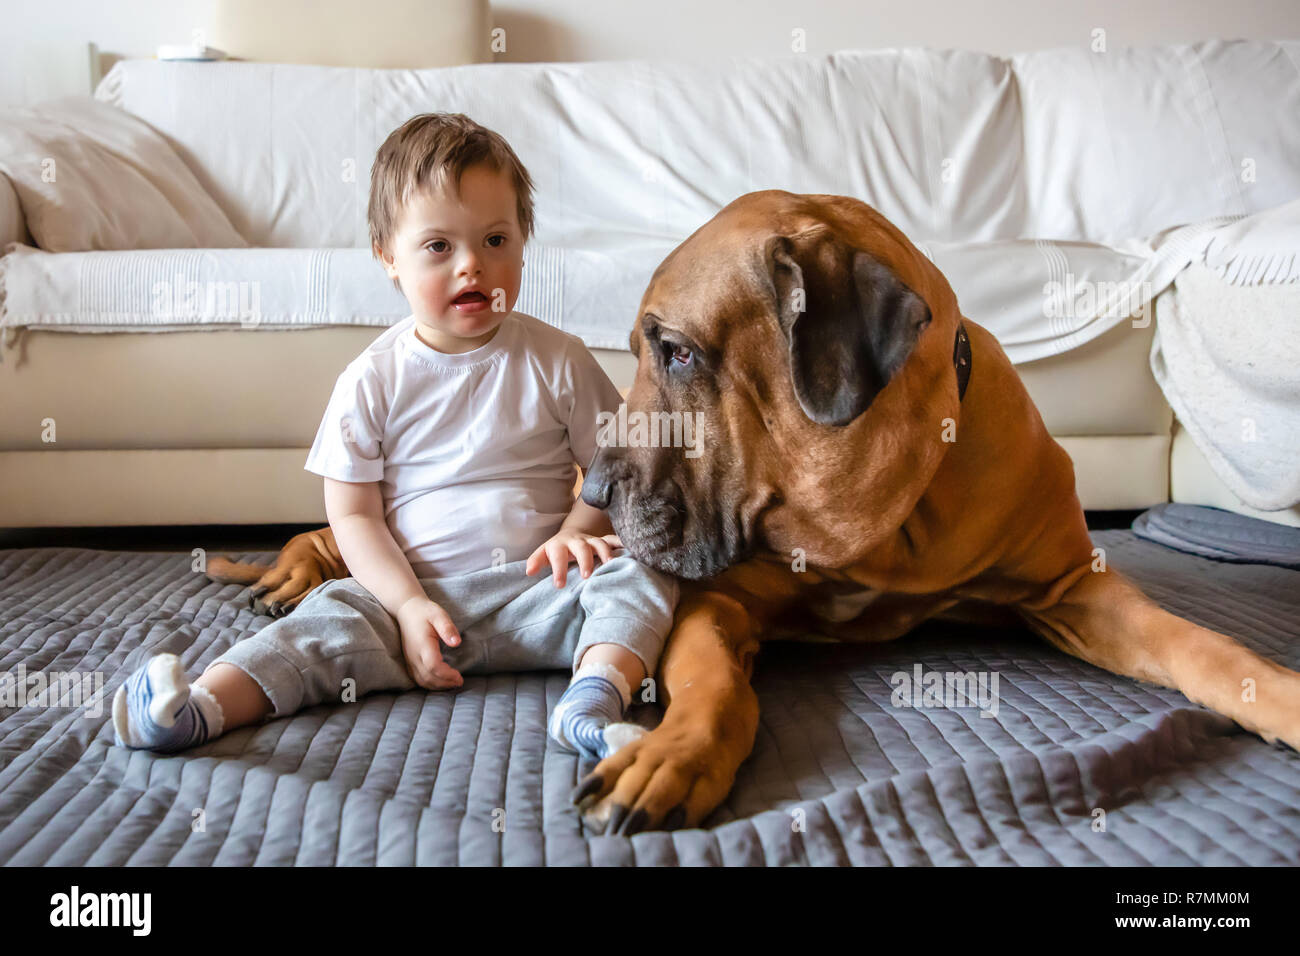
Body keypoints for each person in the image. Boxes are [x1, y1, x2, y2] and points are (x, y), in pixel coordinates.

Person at [112, 112, 679, 762]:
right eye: (439, 247)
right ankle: (198, 710)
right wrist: (407, 605)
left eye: (496, 240)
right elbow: (352, 514)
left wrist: (577, 530)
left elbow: (613, 467)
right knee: (317, 626)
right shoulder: (371, 380)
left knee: (640, 575)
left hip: (537, 590)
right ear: (388, 257)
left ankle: (594, 701)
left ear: (524, 243)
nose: (473, 266)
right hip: (405, 600)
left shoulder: (559, 360)